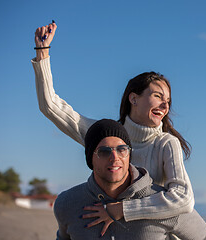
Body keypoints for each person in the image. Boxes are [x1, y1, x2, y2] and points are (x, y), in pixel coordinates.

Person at [32, 22, 194, 236]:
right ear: (134, 98)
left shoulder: (166, 143)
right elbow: (51, 107)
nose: (165, 105)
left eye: (168, 101)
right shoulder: (104, 135)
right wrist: (42, 54)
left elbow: (183, 198)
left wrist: (121, 209)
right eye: (157, 96)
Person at [54, 119, 206, 239]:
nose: (115, 158)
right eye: (104, 151)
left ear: (129, 154)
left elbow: (204, 237)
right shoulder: (67, 203)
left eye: (122, 149)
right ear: (90, 158)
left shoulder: (163, 204)